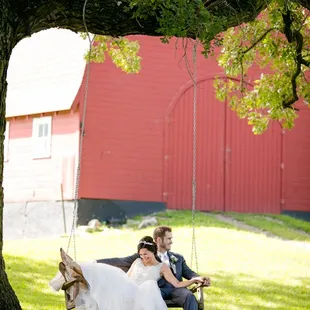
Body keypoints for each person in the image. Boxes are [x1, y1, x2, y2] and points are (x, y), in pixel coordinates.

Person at [50, 236, 204, 310]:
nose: (143, 258)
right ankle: (76, 270)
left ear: (154, 252)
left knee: (149, 284)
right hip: (127, 286)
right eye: (141, 254)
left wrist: (194, 280)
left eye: (146, 254)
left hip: (139, 292)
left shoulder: (162, 267)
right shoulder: (137, 261)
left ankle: (78, 272)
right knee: (103, 272)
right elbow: (127, 277)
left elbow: (177, 283)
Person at [97, 226, 211, 310]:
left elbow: (189, 273)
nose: (172, 241)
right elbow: (119, 261)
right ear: (158, 240)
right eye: (169, 239)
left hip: (176, 289)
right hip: (156, 289)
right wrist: (96, 262)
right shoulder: (142, 256)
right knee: (147, 293)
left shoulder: (178, 258)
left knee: (189, 296)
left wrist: (199, 278)